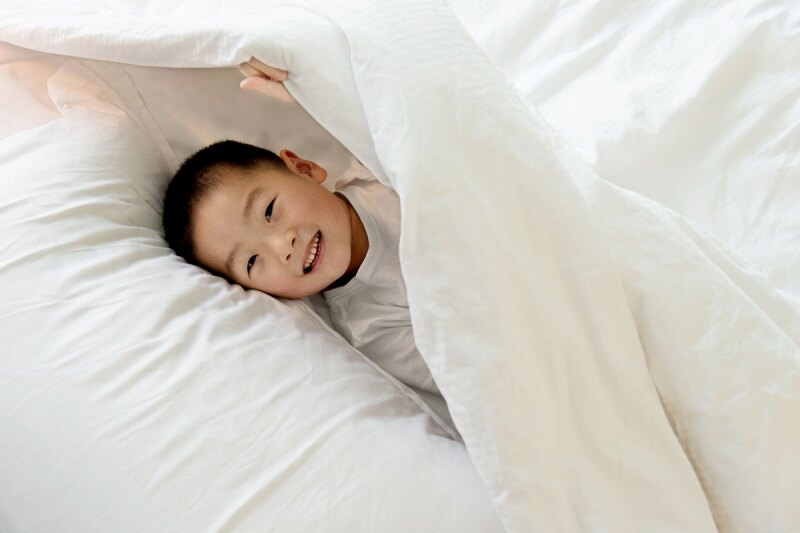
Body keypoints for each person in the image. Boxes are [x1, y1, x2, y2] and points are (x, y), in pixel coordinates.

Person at [161, 58, 441, 398]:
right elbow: (482, 368)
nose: (282, 247)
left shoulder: (377, 164)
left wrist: (314, 81)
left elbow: (412, 98)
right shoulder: (372, 327)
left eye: (268, 210)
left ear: (304, 167)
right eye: (251, 262)